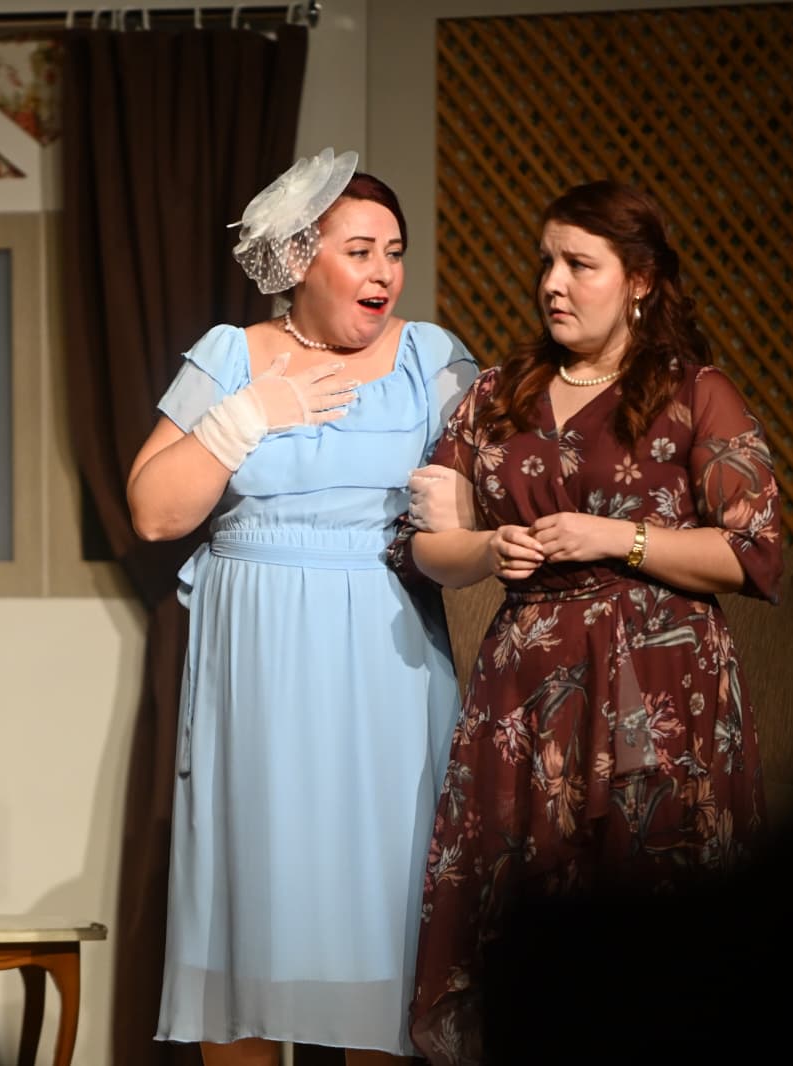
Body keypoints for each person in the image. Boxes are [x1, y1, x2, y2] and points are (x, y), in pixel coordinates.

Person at [398, 180, 783, 1064]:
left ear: (639, 279)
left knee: (649, 925)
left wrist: (619, 536)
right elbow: (425, 548)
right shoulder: (500, 393)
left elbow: (751, 550)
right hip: (526, 693)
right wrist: (487, 546)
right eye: (547, 262)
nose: (553, 283)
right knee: (518, 922)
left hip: (657, 691)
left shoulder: (695, 392)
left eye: (579, 264)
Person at [128, 149, 479, 1064]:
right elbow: (155, 511)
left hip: (385, 666)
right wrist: (249, 415)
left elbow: (496, 493)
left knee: (378, 926)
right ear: (298, 259)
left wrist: (465, 506)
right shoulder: (232, 355)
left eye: (393, 252)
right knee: (254, 908)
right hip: (257, 671)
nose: (382, 272)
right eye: (359, 251)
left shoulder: (431, 360)